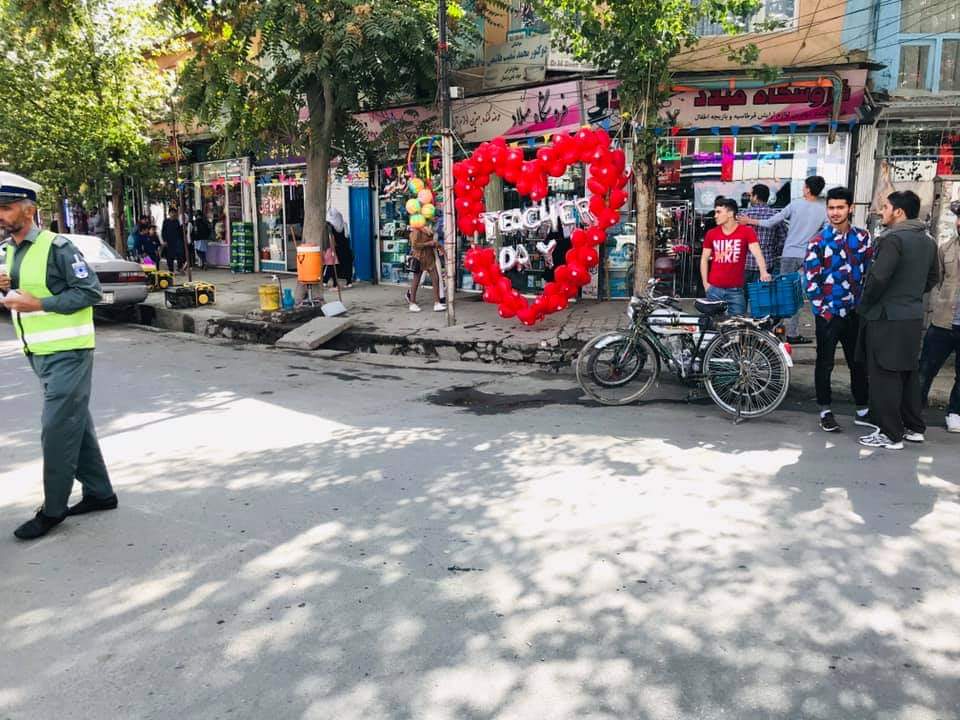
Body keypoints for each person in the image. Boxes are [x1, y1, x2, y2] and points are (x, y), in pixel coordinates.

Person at [0, 171, 117, 540]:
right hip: (37, 352)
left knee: (55, 429)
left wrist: (39, 303)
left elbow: (90, 292)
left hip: (69, 352)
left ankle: (53, 510)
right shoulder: (7, 250)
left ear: (29, 210)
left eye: (6, 208)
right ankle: (100, 493)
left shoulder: (59, 247)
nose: (0, 215)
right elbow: (15, 298)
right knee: (74, 422)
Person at [856, 190, 939, 450]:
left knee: (884, 375)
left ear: (898, 212)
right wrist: (910, 296)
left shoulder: (892, 240)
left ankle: (890, 434)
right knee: (907, 373)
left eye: (885, 207)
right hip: (911, 316)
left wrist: (866, 304)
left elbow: (878, 279)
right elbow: (933, 277)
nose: (881, 211)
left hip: (887, 317)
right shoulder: (927, 240)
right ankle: (914, 427)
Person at [803, 186, 873, 432]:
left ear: (850, 208)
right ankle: (825, 410)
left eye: (840, 207)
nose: (835, 212)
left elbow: (869, 276)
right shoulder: (818, 242)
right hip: (828, 315)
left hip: (855, 313)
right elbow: (810, 281)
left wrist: (862, 307)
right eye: (831, 207)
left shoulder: (863, 238)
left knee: (858, 363)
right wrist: (824, 311)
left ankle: (863, 410)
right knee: (825, 363)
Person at [741, 175, 827, 344]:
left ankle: (774, 330)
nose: (803, 188)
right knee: (800, 296)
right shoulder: (823, 209)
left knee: (782, 294)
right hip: (808, 256)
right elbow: (825, 232)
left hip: (789, 255)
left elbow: (771, 222)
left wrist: (749, 221)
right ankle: (793, 334)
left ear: (808, 189)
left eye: (804, 186)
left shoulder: (795, 205)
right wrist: (812, 240)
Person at [918, 200, 960, 433]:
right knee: (925, 369)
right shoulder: (946, 248)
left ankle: (955, 412)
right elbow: (938, 280)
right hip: (943, 322)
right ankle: (914, 411)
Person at [699, 197, 771, 316]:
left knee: (737, 327)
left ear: (730, 214)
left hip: (736, 290)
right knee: (714, 327)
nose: (715, 215)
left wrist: (763, 272)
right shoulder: (711, 233)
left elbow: (757, 253)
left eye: (719, 212)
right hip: (714, 289)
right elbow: (704, 259)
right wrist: (705, 284)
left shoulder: (747, 231)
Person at [740, 184, 786, 306]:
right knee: (763, 301)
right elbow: (783, 238)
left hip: (745, 264)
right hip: (767, 264)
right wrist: (773, 252)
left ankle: (741, 323)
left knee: (741, 300)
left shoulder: (744, 215)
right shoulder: (775, 215)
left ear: (755, 197)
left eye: (751, 195)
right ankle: (759, 323)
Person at [408, 222, 445, 312]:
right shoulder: (417, 230)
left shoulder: (428, 230)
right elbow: (414, 245)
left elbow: (433, 242)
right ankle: (412, 302)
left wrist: (439, 247)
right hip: (419, 258)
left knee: (436, 279)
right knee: (416, 280)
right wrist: (428, 244)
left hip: (429, 257)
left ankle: (437, 302)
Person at [161, 207, 185, 273]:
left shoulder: (177, 221)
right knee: (169, 256)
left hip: (177, 241)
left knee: (179, 254)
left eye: (174, 212)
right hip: (169, 241)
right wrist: (165, 240)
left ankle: (180, 268)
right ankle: (171, 270)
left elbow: (181, 231)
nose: (173, 214)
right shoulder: (166, 221)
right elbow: (163, 232)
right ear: (169, 213)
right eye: (172, 213)